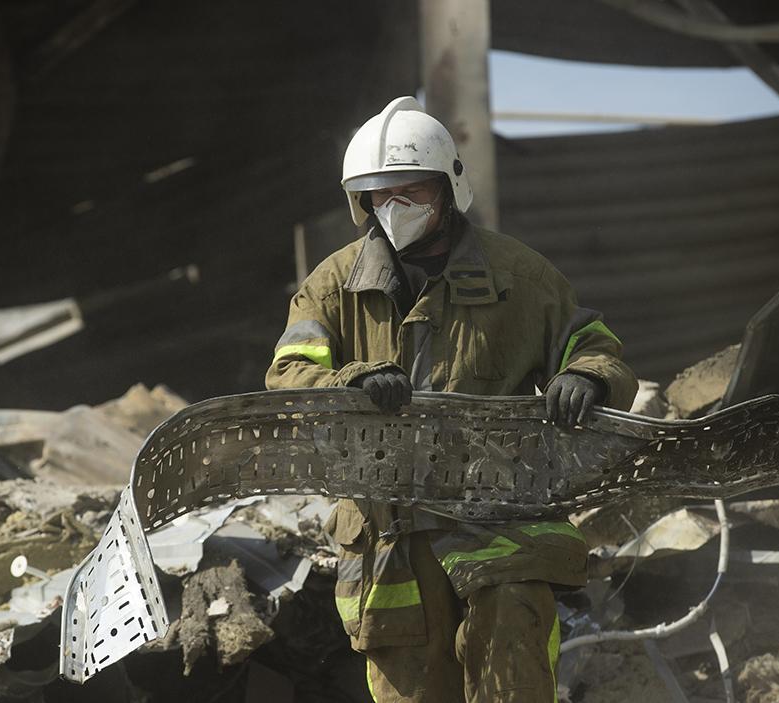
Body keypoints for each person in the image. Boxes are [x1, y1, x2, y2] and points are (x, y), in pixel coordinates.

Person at [266, 96, 637, 703]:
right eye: (379, 196)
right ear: (359, 202)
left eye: (411, 193)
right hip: (389, 534)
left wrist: (589, 378)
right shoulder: (332, 286)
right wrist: (349, 380)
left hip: (502, 520)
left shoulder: (519, 275)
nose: (395, 209)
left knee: (513, 675)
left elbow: (595, 345)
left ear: (447, 188)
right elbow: (287, 376)